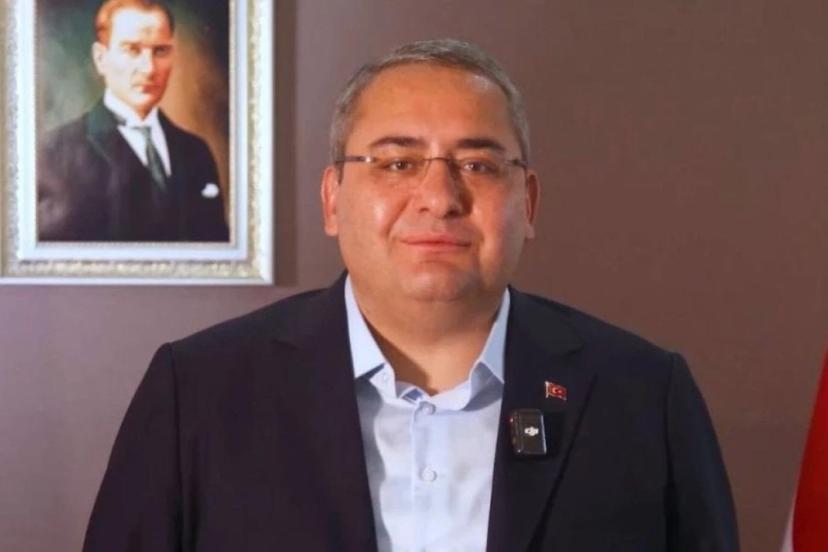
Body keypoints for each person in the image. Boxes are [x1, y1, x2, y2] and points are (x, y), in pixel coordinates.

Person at [83, 39, 739, 551]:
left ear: (529, 202)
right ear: (333, 199)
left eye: (478, 165)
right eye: (397, 163)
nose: (439, 197)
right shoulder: (199, 391)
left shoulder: (643, 395)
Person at [37, 0, 229, 242]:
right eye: (132, 50)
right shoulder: (54, 153)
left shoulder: (196, 151)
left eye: (160, 51)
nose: (149, 69)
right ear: (101, 59)